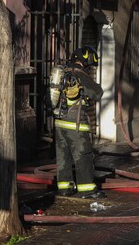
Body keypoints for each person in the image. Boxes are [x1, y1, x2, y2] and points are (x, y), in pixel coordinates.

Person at [54, 46, 105, 199]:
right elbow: (97, 92)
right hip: (75, 123)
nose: (89, 68)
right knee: (83, 155)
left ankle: (65, 188)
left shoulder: (62, 71)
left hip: (59, 121)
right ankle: (87, 190)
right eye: (89, 64)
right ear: (86, 61)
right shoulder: (80, 74)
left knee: (63, 157)